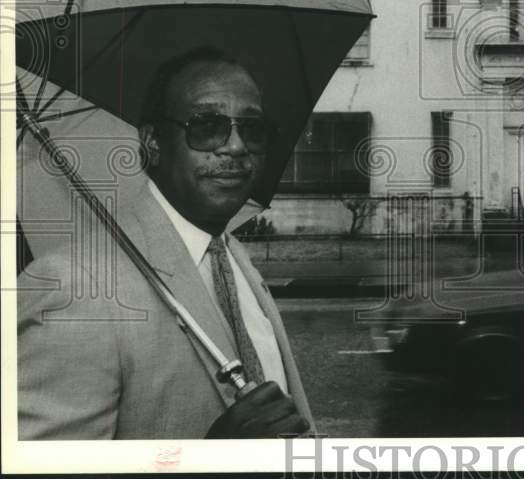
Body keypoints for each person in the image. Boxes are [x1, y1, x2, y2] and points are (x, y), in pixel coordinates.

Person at [18, 47, 312, 439]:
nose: (237, 147)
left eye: (253, 130)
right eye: (207, 126)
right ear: (153, 142)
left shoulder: (233, 256)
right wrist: (212, 459)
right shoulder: (74, 287)